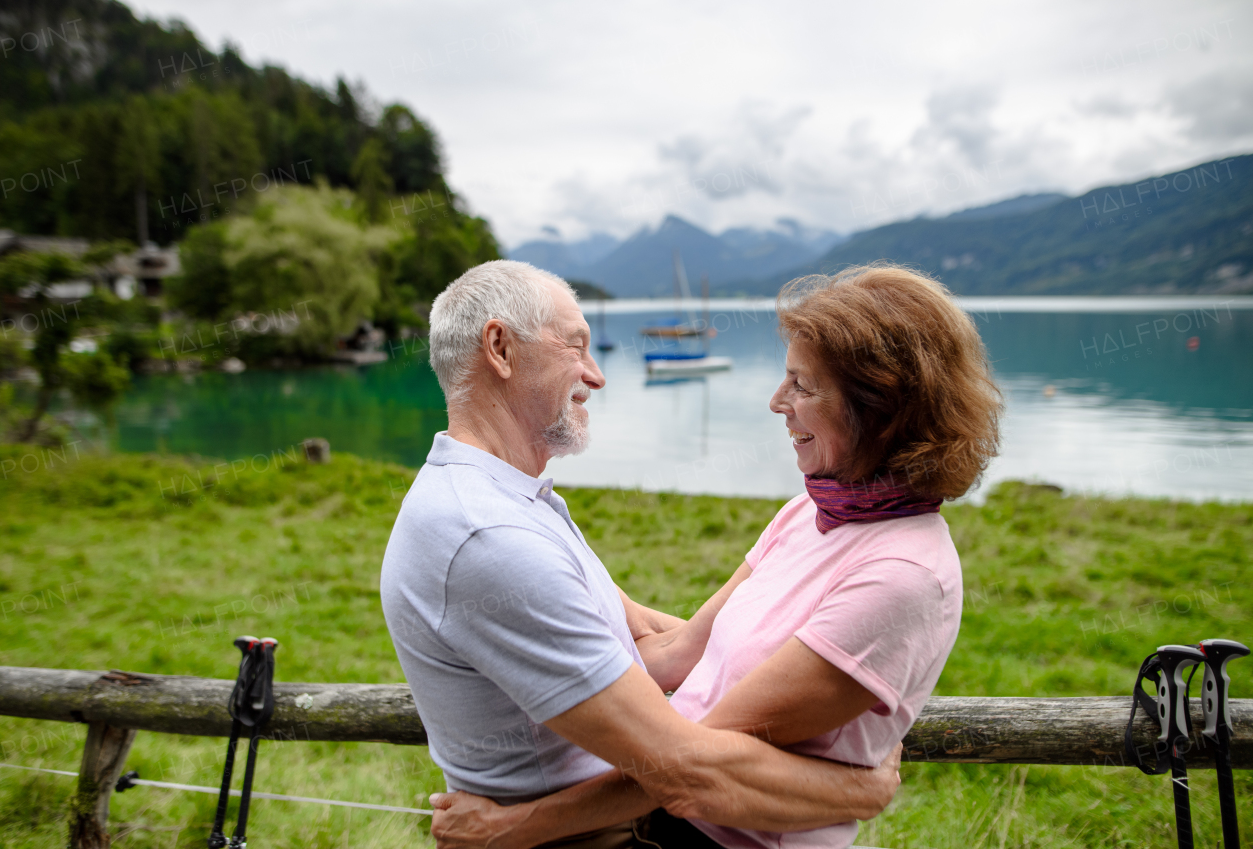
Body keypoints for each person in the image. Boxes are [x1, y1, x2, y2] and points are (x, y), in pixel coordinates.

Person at [427, 263, 1003, 848]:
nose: (777, 401)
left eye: (802, 385)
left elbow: (692, 767)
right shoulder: (808, 512)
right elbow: (684, 652)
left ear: (879, 408)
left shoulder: (902, 577)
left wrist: (511, 828)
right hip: (669, 823)